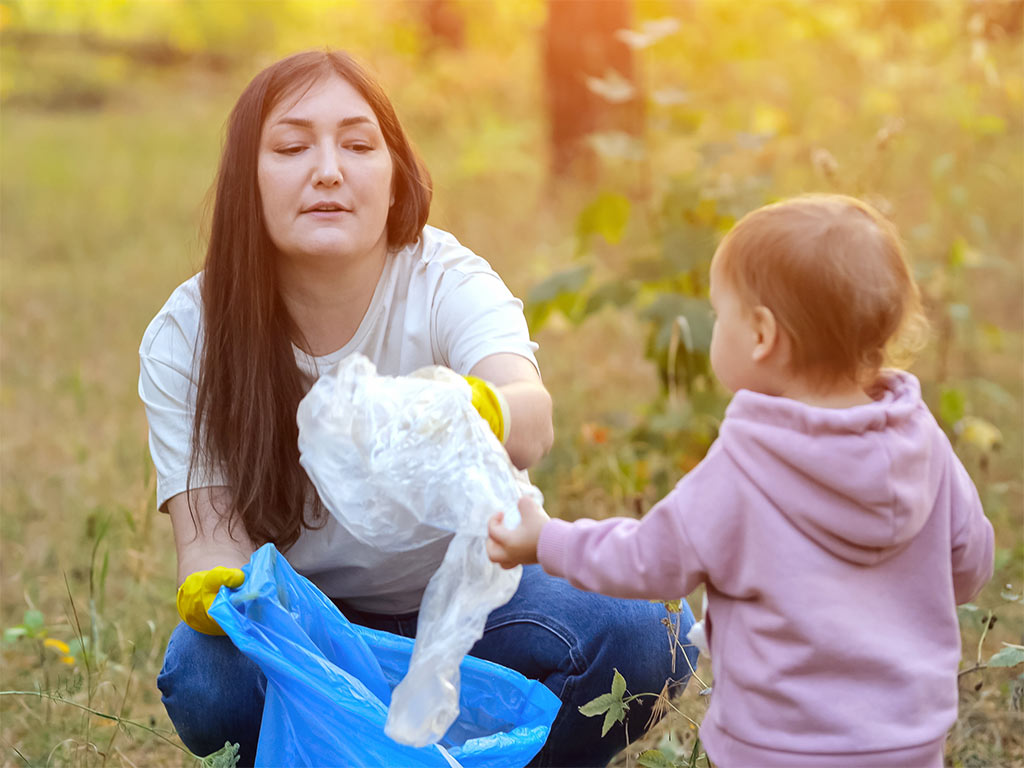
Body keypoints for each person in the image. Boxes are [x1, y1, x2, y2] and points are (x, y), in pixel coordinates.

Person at [138, 49, 695, 767]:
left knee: (651, 628)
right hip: (315, 628)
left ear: (396, 172)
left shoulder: (445, 278)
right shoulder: (189, 332)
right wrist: (222, 597)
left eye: (359, 144)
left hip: (481, 603)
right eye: (291, 146)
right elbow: (210, 539)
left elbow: (534, 420)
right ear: (248, 178)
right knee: (205, 674)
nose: (329, 170)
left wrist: (474, 406)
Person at [488, 195, 995, 768]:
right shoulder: (922, 440)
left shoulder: (749, 462)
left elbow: (647, 560)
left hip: (777, 748)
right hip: (909, 740)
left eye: (719, 314)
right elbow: (971, 562)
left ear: (760, 334)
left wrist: (544, 539)